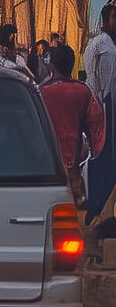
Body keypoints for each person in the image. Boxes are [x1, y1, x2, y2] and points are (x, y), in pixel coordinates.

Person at [42, 42, 107, 206]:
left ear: (52, 64)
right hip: (73, 172)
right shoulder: (83, 92)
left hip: (44, 169)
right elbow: (96, 129)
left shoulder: (41, 91)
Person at [83, 1, 116, 225]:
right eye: (114, 17)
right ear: (105, 20)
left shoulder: (101, 43)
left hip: (104, 106)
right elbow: (101, 83)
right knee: (103, 157)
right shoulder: (105, 46)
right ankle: (97, 204)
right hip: (105, 107)